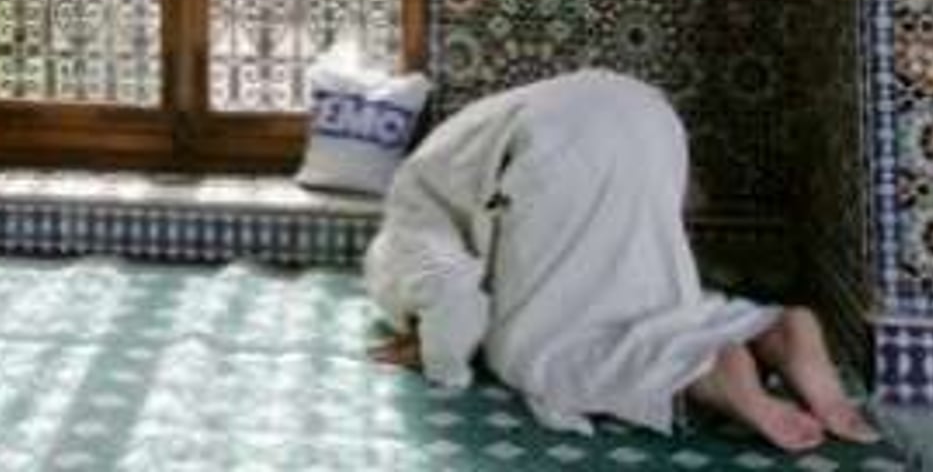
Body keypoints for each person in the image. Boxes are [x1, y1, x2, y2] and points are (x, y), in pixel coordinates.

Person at [363, 69, 878, 452]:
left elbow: (450, 293)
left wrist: (438, 354)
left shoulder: (406, 212)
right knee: (646, 292)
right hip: (645, 110)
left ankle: (706, 372)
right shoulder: (443, 157)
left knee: (534, 351)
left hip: (557, 146)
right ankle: (767, 328)